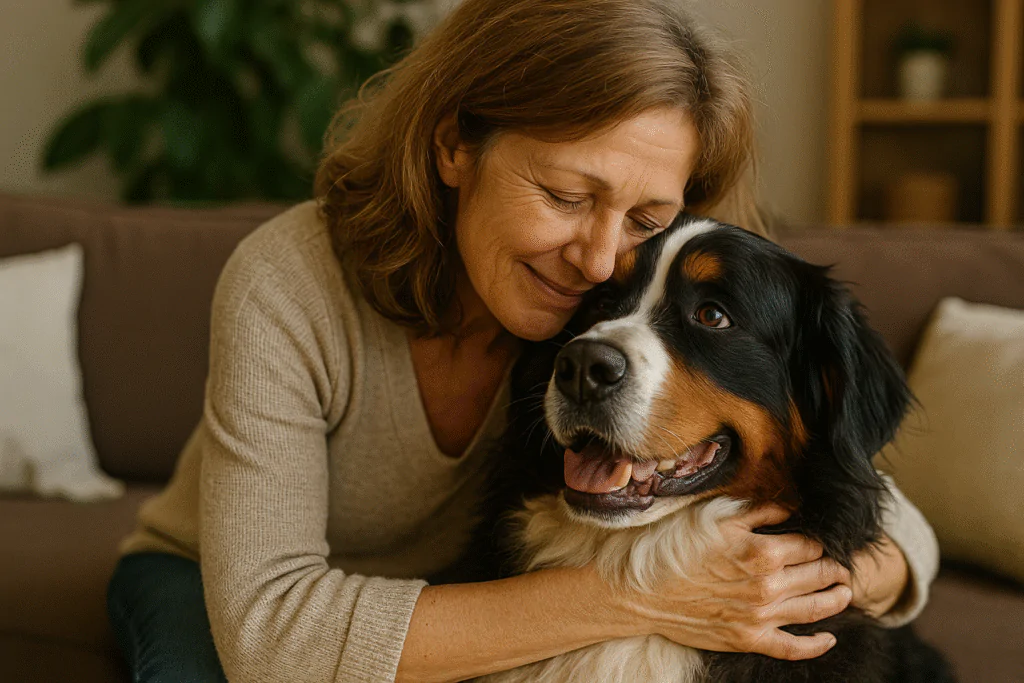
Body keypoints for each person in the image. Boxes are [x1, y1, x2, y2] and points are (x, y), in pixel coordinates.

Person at [106, 1, 939, 681]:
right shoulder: (287, 282)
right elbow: (272, 635)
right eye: (566, 194)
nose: (602, 256)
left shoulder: (621, 301)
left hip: (474, 600)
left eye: (647, 220)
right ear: (454, 144)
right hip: (231, 587)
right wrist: (651, 595)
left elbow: (880, 504)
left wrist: (787, 586)